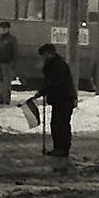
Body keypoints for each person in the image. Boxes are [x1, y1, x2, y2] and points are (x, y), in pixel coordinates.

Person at [26, 42, 78, 170]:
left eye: (44, 55)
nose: (43, 58)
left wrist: (41, 92)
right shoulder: (52, 65)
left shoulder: (58, 66)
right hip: (59, 99)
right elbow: (49, 82)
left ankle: (63, 149)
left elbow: (53, 83)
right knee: (56, 124)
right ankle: (58, 148)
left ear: (50, 54)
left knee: (62, 124)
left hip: (64, 99)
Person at [0, 21, 19, 105]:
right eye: (2, 28)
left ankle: (6, 99)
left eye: (5, 28)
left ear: (8, 29)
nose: (3, 30)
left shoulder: (12, 39)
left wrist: (13, 63)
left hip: (7, 63)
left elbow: (15, 52)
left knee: (6, 83)